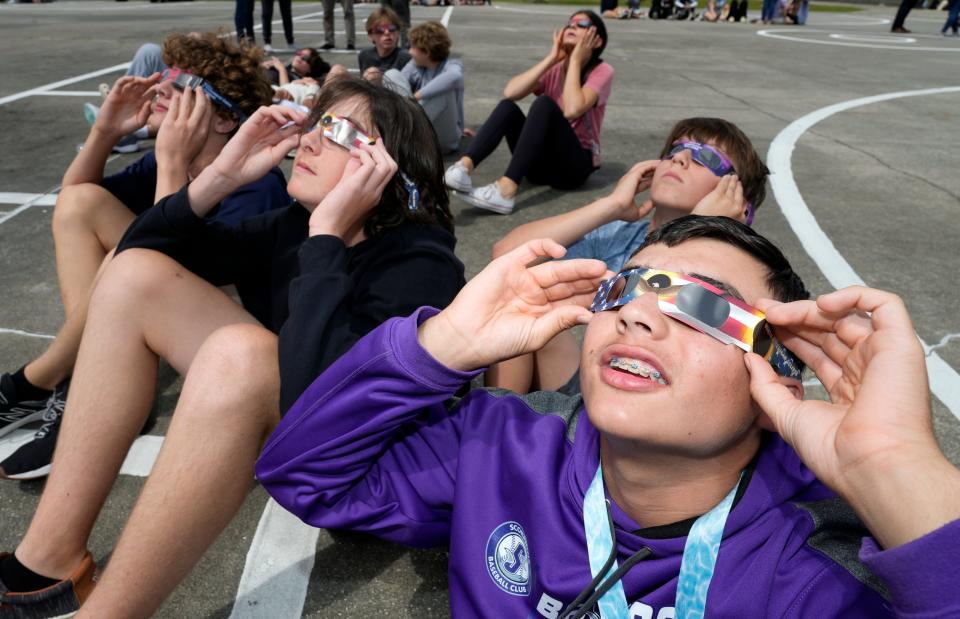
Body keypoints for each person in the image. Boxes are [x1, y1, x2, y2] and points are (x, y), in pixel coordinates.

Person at [257, 216, 960, 617]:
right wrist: (440, 347)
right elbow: (306, 475)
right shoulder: (503, 445)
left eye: (705, 305)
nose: (637, 315)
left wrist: (891, 463)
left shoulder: (820, 564)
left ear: (777, 374)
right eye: (627, 286)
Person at [0, 77, 465, 618]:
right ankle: (47, 565)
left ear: (386, 170)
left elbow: (334, 408)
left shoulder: (421, 264)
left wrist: (327, 240)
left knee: (241, 352)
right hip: (299, 423)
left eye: (340, 131)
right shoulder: (299, 223)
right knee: (134, 278)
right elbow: (139, 251)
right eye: (316, 123)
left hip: (359, 472)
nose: (309, 140)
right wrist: (218, 177)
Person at [0, 32, 288, 480]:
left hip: (237, 344)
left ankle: (42, 380)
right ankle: (89, 375)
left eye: (179, 86)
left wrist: (172, 166)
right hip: (182, 312)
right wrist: (105, 132)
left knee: (133, 253)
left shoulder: (257, 185)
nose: (159, 88)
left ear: (224, 120)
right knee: (82, 204)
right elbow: (76, 196)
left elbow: (165, 261)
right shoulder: (172, 158)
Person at [486, 117, 765, 394]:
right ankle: (491, 426)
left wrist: (704, 229)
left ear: (738, 200)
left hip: (653, 400)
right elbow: (507, 258)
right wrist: (612, 205)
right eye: (674, 150)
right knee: (519, 296)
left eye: (706, 157)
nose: (679, 158)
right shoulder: (621, 235)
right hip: (587, 384)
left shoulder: (735, 271)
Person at [444, 11, 613, 215]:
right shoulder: (556, 68)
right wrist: (552, 58)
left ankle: (506, 190)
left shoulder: (602, 71)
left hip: (573, 169)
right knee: (508, 107)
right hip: (539, 166)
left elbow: (572, 109)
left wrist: (576, 61)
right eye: (570, 23)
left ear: (597, 41)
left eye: (582, 24)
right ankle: (464, 167)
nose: (572, 26)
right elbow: (511, 92)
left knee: (544, 104)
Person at [383, 21, 464, 154]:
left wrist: (416, 97)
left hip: (444, 139)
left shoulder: (452, 65)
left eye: (413, 47)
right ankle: (405, 133)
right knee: (391, 75)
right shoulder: (416, 65)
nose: (410, 51)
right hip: (423, 134)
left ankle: (402, 134)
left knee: (443, 91)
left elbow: (455, 77)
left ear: (426, 52)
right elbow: (397, 83)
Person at [358, 6, 412, 84]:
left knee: (372, 74)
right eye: (380, 29)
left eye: (392, 28)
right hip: (372, 95)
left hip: (397, 95)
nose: (387, 32)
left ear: (398, 33)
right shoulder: (365, 55)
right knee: (337, 70)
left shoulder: (405, 57)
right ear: (370, 35)